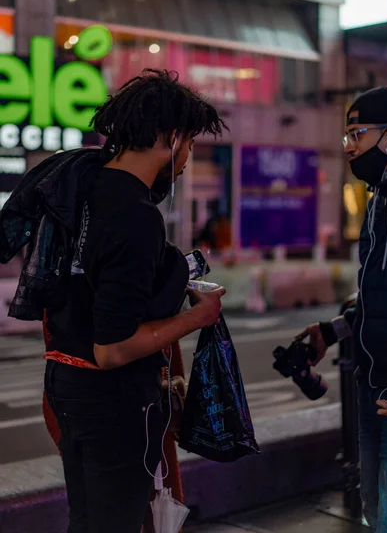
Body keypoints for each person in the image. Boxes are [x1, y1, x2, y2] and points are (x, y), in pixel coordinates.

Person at [0, 70, 227, 533]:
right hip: (114, 402)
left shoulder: (78, 186)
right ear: (173, 137)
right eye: (189, 147)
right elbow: (114, 348)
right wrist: (197, 317)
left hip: (65, 387)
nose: (186, 160)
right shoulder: (137, 217)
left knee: (85, 520)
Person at [298, 86, 387, 533]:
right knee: (377, 516)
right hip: (372, 389)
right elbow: (382, 297)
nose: (351, 147)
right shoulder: (379, 201)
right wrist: (332, 330)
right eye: (348, 137)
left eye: (358, 134)